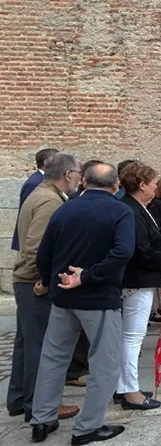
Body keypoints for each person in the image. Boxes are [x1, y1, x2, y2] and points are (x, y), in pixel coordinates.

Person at [29, 163, 134, 444]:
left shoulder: (65, 209)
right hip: (98, 297)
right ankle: (88, 426)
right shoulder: (120, 211)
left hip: (64, 295)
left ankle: (42, 418)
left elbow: (44, 254)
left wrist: (52, 282)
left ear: (85, 182)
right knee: (104, 362)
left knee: (53, 357)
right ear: (115, 185)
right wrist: (86, 276)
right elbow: (123, 252)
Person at [6, 153, 81, 423]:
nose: (79, 178)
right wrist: (44, 280)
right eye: (78, 173)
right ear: (68, 175)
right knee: (41, 345)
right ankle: (40, 404)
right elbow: (36, 247)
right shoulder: (49, 200)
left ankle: (19, 399)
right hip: (33, 283)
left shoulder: (42, 194)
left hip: (26, 280)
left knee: (26, 343)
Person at [115, 162, 161, 410]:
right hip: (137, 281)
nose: (155, 188)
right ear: (142, 185)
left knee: (130, 337)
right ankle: (130, 392)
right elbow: (142, 250)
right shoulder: (130, 210)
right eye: (152, 183)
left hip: (142, 279)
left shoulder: (139, 207)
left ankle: (124, 386)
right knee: (132, 337)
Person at [11, 148, 59, 252]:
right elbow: (28, 211)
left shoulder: (41, 179)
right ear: (46, 162)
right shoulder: (35, 182)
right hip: (29, 241)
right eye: (57, 160)